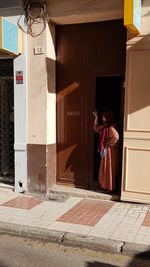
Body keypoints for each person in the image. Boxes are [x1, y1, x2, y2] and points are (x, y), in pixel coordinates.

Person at [93, 110, 119, 192]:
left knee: (109, 168)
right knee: (105, 167)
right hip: (106, 150)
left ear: (108, 118)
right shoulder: (105, 126)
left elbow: (116, 137)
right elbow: (96, 128)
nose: (103, 118)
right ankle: (105, 186)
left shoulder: (111, 127)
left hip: (110, 151)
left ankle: (110, 187)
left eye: (104, 116)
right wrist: (96, 118)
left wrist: (109, 143)